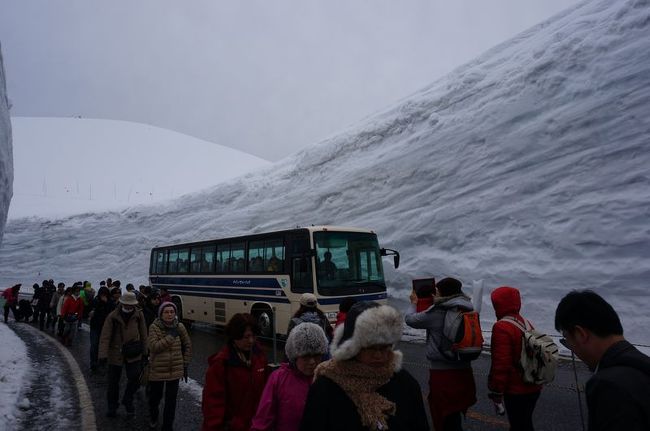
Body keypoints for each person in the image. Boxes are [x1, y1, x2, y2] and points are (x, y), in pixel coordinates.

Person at [300, 301, 428, 431]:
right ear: (352, 348)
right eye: (370, 347)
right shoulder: (327, 387)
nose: (378, 355)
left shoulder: (405, 383)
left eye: (384, 347)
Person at [555, 290, 650, 431]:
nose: (571, 349)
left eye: (567, 341)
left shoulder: (608, 384)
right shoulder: (642, 364)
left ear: (580, 334)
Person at [404, 277, 477, 431]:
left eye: (437, 291)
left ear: (444, 293)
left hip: (443, 373)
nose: (435, 294)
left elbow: (410, 320)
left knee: (444, 416)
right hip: (465, 369)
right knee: (455, 413)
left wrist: (414, 303)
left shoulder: (438, 311)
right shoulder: (468, 308)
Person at [251, 322, 328, 431]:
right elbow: (263, 420)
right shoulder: (278, 379)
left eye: (316, 355)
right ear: (294, 356)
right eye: (306, 356)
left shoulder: (326, 378)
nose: (312, 362)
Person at [202, 313, 268, 431]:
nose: (251, 341)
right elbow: (212, 404)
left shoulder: (260, 356)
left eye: (253, 336)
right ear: (234, 337)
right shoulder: (221, 363)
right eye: (246, 337)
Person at [488, 286, 542, 431]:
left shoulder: (502, 327)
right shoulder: (525, 322)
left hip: (516, 389)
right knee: (524, 423)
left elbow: (501, 364)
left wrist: (497, 391)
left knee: (519, 425)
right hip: (533, 384)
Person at [98, 291, 148, 418]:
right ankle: (112, 406)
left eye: (131, 305)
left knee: (135, 378)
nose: (129, 307)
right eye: (126, 304)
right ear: (122, 303)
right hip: (116, 353)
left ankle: (128, 399)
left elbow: (144, 334)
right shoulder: (112, 316)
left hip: (133, 352)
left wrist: (145, 352)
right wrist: (103, 355)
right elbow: (105, 336)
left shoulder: (139, 315)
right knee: (113, 382)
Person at [147, 301, 192, 430]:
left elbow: (188, 345)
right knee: (155, 397)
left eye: (172, 312)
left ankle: (167, 426)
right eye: (166, 312)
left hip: (175, 369)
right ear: (161, 314)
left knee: (171, 401)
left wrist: (185, 362)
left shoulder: (180, 327)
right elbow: (154, 347)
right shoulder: (154, 327)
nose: (169, 314)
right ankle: (154, 415)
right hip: (158, 370)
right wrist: (171, 336)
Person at [88, 286, 114, 371]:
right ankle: (93, 363)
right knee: (94, 345)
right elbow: (89, 310)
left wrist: (106, 303)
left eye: (105, 294)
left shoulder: (110, 302)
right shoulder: (95, 301)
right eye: (102, 294)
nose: (103, 296)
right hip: (95, 326)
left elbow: (111, 313)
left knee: (104, 346)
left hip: (105, 327)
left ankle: (102, 362)